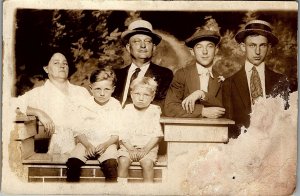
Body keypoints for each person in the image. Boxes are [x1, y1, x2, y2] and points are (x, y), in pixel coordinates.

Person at [222, 19, 289, 138]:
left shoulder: (281, 81)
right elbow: (228, 126)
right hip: (241, 148)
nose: (257, 51)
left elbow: (286, 121)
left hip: (272, 146)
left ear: (269, 47)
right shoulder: (229, 83)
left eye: (262, 45)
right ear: (243, 46)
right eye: (252, 45)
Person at [14, 52, 92, 154]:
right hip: (55, 153)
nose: (62, 66)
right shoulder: (38, 93)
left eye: (65, 63)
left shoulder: (81, 92)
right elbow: (10, 105)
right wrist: (39, 112)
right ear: (46, 69)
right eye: (56, 63)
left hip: (85, 148)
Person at [66, 67, 120, 182]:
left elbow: (117, 133)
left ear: (113, 89)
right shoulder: (84, 105)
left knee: (111, 164)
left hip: (107, 144)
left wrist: (106, 145)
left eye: (106, 89)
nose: (102, 93)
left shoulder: (116, 105)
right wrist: (87, 145)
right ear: (91, 88)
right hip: (86, 143)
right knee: (73, 163)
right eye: (97, 89)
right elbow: (78, 130)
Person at [164, 17, 225, 118]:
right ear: (192, 52)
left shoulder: (221, 78)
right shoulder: (182, 74)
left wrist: (201, 94)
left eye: (209, 46)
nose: (204, 52)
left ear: (216, 50)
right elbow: (170, 107)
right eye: (199, 47)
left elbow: (222, 109)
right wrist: (202, 111)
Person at [113, 19, 173, 109]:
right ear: (128, 47)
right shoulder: (116, 75)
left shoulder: (165, 75)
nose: (143, 45)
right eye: (137, 41)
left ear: (154, 47)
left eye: (147, 41)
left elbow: (161, 106)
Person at [117, 77, 163, 183]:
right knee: (123, 161)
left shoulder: (154, 110)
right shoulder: (127, 109)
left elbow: (157, 135)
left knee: (147, 163)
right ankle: (120, 190)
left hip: (148, 148)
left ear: (152, 97)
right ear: (132, 94)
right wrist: (130, 148)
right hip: (128, 147)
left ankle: (147, 191)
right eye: (137, 94)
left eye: (146, 95)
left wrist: (145, 149)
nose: (141, 98)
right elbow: (122, 133)